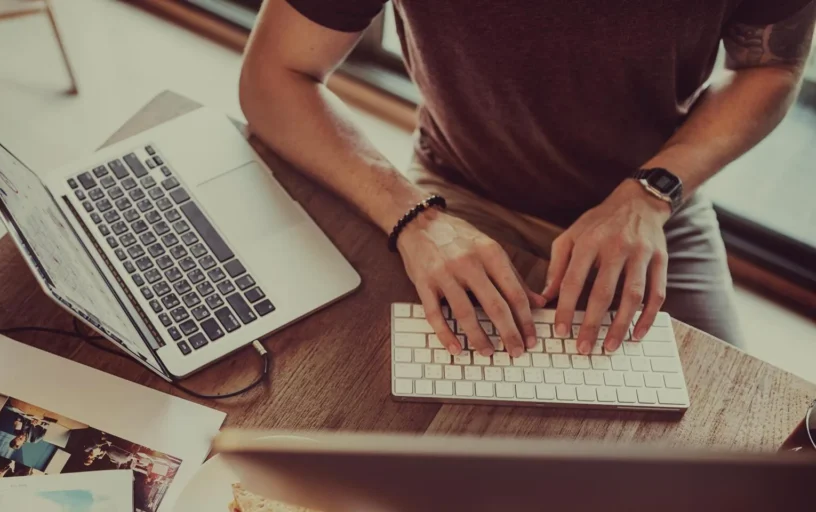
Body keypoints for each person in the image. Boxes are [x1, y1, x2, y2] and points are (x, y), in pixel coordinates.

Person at [239, 0, 816, 355]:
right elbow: (274, 76)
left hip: (657, 198)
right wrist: (413, 216)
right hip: (457, 190)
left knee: (730, 466)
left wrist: (650, 195)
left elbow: (771, 67)